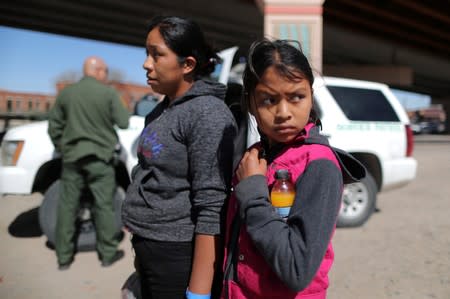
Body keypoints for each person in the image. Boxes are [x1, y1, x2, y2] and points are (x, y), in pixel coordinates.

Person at [221, 39, 365, 298]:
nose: (283, 112)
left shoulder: (319, 165)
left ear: (311, 97)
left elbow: (297, 269)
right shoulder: (256, 158)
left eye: (297, 96)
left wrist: (253, 195)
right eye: (268, 100)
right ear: (251, 103)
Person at [121, 16, 237, 299]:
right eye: (146, 53)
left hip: (177, 254)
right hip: (149, 247)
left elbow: (212, 206)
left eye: (157, 54)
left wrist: (198, 291)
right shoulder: (161, 110)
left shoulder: (207, 114)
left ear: (188, 65)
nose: (146, 64)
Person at [47, 56, 130, 270]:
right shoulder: (109, 93)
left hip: (72, 158)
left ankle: (63, 258)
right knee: (103, 206)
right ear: (99, 71)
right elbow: (123, 121)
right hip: (101, 160)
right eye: (106, 71)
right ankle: (108, 254)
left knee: (67, 206)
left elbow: (53, 127)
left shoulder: (67, 93)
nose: (107, 75)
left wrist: (64, 147)